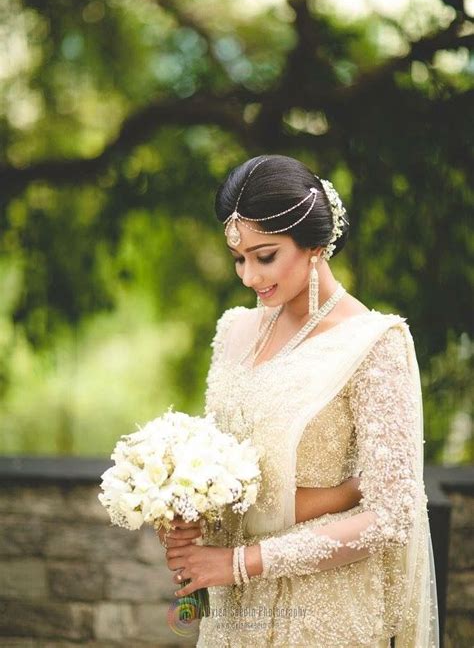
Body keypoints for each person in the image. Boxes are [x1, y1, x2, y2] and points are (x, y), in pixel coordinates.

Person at [159, 155, 439, 647]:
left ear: (315, 244)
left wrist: (240, 563)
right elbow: (220, 470)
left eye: (264, 256)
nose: (248, 276)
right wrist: (187, 513)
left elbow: (393, 517)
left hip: (322, 611)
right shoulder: (234, 330)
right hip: (233, 614)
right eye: (239, 259)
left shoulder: (374, 344)